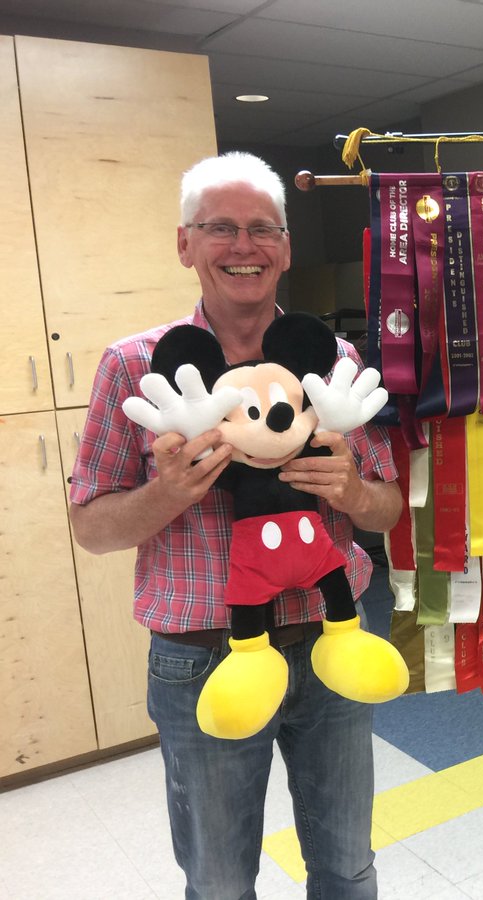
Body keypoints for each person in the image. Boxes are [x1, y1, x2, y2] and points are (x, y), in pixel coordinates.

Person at [68, 151, 401, 898]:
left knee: (347, 868)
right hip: (201, 658)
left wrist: (349, 489)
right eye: (221, 228)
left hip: (330, 641)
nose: (243, 247)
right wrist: (170, 493)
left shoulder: (334, 360)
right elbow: (91, 526)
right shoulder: (137, 370)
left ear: (284, 247)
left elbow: (391, 502)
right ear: (184, 243)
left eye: (262, 230)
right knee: (219, 882)